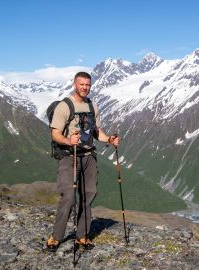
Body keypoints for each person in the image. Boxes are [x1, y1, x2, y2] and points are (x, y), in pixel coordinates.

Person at [46, 71, 119, 251]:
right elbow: (55, 134)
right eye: (82, 84)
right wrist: (68, 140)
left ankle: (82, 236)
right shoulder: (65, 106)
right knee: (69, 197)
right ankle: (56, 237)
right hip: (69, 157)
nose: (85, 87)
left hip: (88, 157)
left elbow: (96, 131)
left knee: (88, 196)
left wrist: (109, 139)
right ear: (74, 84)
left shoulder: (93, 106)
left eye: (88, 85)